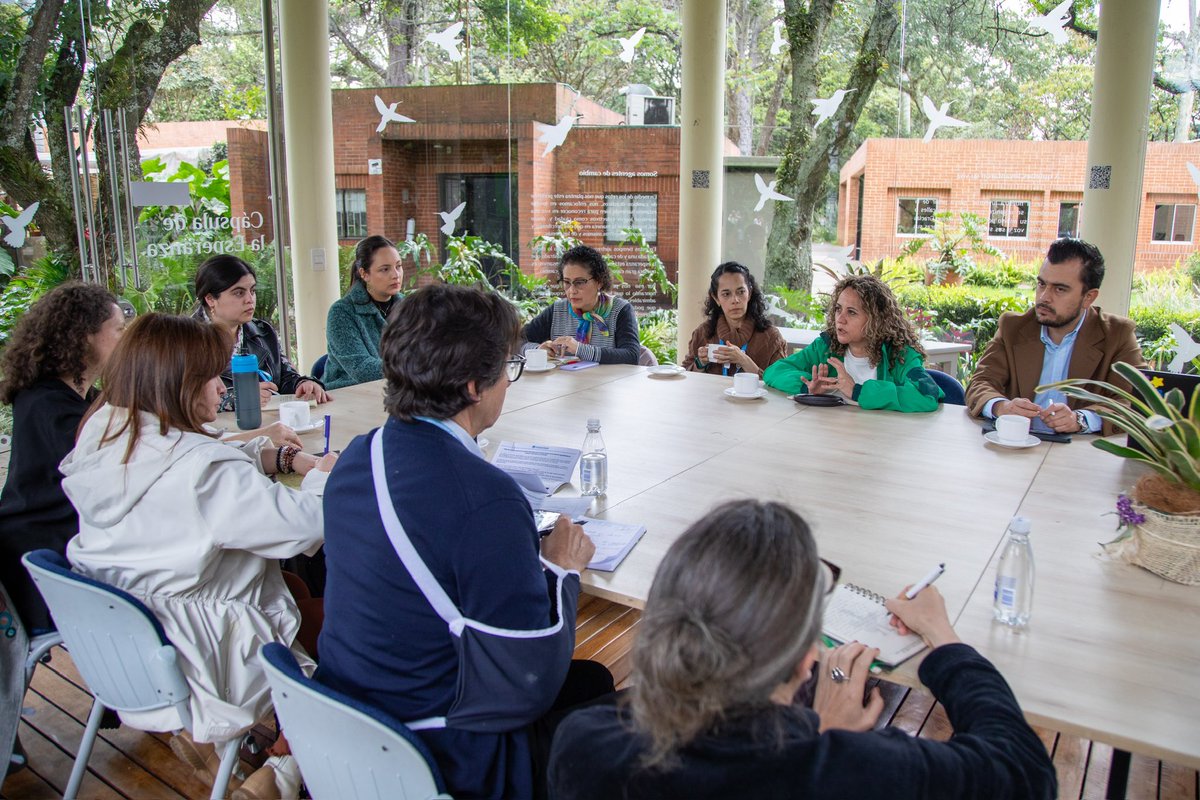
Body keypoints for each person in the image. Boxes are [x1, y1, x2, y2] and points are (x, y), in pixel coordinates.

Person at [548, 499, 1057, 800]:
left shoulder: (584, 742)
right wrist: (943, 638)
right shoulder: (856, 773)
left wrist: (816, 737)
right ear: (807, 657)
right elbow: (1025, 770)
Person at [317, 284, 614, 800]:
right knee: (633, 723)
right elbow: (530, 677)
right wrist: (561, 568)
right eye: (507, 368)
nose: (508, 382)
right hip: (441, 754)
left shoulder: (359, 456)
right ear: (475, 386)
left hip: (347, 728)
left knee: (591, 683)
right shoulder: (487, 499)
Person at [61, 314, 337, 799]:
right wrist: (323, 477)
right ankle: (283, 769)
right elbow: (306, 525)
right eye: (211, 377)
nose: (221, 388)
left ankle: (230, 750)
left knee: (293, 587)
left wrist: (269, 455)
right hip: (211, 655)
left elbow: (190, 458)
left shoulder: (105, 436)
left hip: (135, 642)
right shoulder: (204, 474)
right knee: (343, 625)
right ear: (177, 385)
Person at [0, 282, 124, 634]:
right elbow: (118, 462)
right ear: (85, 337)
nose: (126, 340)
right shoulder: (49, 405)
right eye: (118, 330)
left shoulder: (74, 396)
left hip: (53, 540)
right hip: (44, 556)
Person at [966, 238, 1146, 435]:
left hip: (1078, 449)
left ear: (1089, 297)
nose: (1044, 297)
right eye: (1041, 284)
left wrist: (1080, 419)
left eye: (1060, 289)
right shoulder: (1013, 327)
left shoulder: (1118, 335)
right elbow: (980, 383)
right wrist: (1001, 407)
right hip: (1016, 444)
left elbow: (1135, 402)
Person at [763, 274, 942, 411]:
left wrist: (857, 391)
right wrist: (808, 387)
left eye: (852, 312)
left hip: (882, 439)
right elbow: (774, 371)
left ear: (876, 320)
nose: (840, 319)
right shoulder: (825, 347)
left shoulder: (901, 354)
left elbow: (927, 395)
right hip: (834, 435)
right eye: (838, 309)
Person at [193, 254, 330, 407]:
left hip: (269, 419)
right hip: (216, 422)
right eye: (239, 293)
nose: (250, 299)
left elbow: (285, 377)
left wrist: (303, 384)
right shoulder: (186, 340)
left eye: (252, 291)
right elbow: (184, 399)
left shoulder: (263, 331)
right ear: (210, 299)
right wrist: (239, 398)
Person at [521, 244, 641, 364]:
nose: (572, 290)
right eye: (567, 282)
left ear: (599, 281)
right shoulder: (557, 310)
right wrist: (538, 350)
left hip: (609, 377)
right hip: (563, 377)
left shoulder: (620, 310)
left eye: (579, 282)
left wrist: (579, 349)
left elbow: (631, 356)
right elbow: (517, 341)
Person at [323, 235, 404, 389]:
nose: (396, 275)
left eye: (398, 266)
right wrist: (413, 368)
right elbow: (361, 368)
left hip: (397, 389)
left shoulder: (409, 307)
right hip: (347, 393)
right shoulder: (341, 312)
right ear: (364, 273)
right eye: (385, 269)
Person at [683, 261, 786, 376]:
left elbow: (781, 381)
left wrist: (743, 360)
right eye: (726, 294)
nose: (735, 300)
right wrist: (700, 363)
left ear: (749, 293)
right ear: (716, 298)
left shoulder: (771, 337)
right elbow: (685, 376)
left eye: (741, 292)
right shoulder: (703, 333)